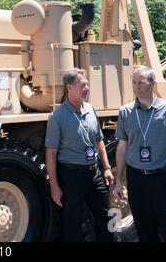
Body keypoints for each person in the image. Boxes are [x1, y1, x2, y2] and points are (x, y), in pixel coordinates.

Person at [113, 66, 166, 242]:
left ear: (153, 84)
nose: (136, 86)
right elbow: (122, 146)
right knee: (145, 232)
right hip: (137, 180)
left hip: (164, 180)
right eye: (133, 82)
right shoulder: (125, 112)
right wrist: (118, 181)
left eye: (141, 82)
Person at [45, 68, 114, 242]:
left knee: (108, 218)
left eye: (87, 84)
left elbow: (99, 141)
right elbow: (51, 153)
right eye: (83, 85)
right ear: (69, 87)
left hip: (95, 173)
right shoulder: (57, 116)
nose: (87, 88)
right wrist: (54, 186)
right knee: (72, 225)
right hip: (71, 176)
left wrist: (106, 167)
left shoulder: (90, 109)